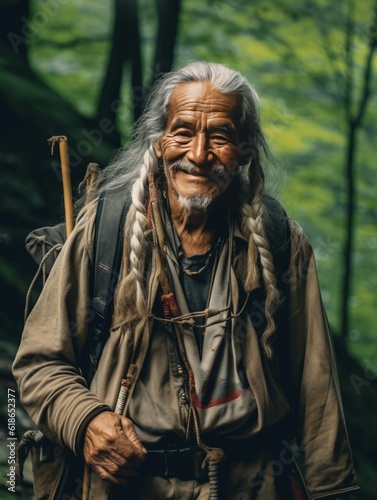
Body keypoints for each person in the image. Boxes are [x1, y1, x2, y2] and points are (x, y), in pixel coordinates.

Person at [13, 61, 359, 500]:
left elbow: (317, 393)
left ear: (247, 149)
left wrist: (333, 491)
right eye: (182, 132)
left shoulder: (280, 242)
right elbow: (39, 363)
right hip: (123, 487)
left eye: (220, 136)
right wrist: (86, 421)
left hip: (249, 485)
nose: (198, 154)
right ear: (158, 143)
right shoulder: (106, 229)